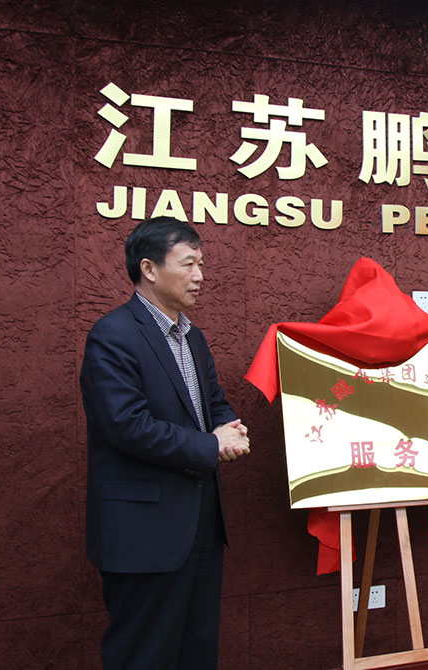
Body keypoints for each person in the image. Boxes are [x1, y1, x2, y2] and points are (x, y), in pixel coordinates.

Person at [80, 216, 251, 669]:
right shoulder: (113, 335)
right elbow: (126, 425)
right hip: (145, 533)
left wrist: (230, 429)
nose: (200, 276)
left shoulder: (193, 337)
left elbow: (213, 403)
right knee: (144, 654)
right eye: (188, 264)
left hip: (200, 525)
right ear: (149, 269)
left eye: (202, 264)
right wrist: (210, 446)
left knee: (197, 649)